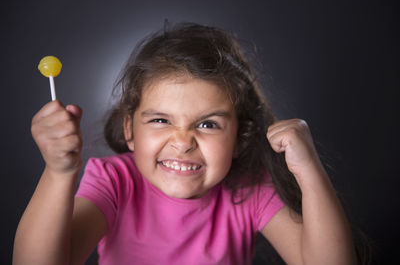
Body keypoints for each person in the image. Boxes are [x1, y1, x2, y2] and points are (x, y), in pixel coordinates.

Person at [13, 22, 360, 265]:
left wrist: (308, 168)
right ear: (129, 131)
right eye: (161, 120)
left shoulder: (249, 190)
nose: (182, 142)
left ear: (239, 139)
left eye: (208, 124)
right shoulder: (113, 181)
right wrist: (58, 173)